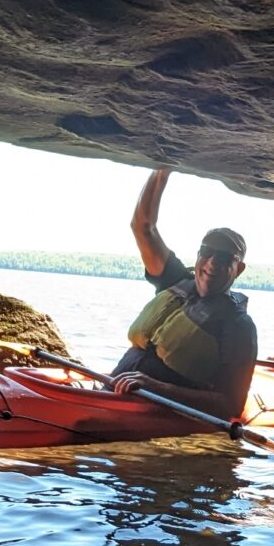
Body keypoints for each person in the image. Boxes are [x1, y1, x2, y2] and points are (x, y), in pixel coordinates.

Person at [109, 169, 257, 419]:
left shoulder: (238, 325)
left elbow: (230, 405)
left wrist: (157, 387)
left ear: (238, 268)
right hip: (111, 396)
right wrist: (162, 170)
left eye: (223, 258)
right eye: (207, 252)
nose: (212, 263)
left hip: (158, 416)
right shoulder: (174, 279)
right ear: (198, 256)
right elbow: (142, 227)